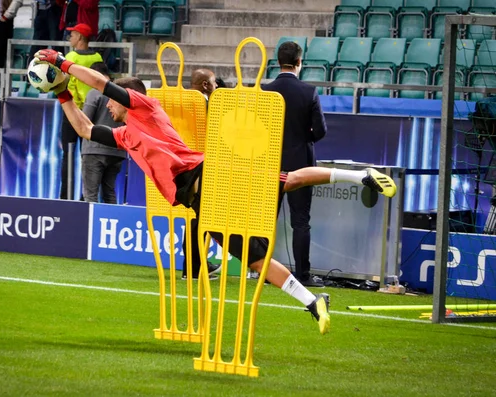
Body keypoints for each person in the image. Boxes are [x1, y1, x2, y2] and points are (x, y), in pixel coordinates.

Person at [35, 49, 398, 335]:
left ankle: (359, 176)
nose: (107, 107)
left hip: (210, 175)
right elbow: (84, 130)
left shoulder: (145, 107)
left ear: (126, 97)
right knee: (255, 258)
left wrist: (62, 62)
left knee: (286, 180)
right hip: (199, 201)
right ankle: (312, 301)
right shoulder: (124, 135)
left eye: (112, 102)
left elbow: (100, 83)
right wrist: (64, 93)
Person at [263, 41, 327, 288]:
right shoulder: (309, 91)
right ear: (299, 62)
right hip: (300, 166)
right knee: (300, 221)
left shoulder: (266, 91)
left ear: (278, 62)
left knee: (267, 220)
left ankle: (266, 271)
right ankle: (303, 274)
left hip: (270, 166)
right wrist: (303, 139)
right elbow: (320, 131)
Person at [181, 67, 220, 280]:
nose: (216, 87)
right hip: (202, 164)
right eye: (214, 83)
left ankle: (195, 264)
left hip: (184, 164)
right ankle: (194, 268)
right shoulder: (205, 104)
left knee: (197, 216)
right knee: (201, 216)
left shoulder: (181, 101)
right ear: (205, 84)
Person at [58, 23, 103, 200]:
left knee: (68, 155)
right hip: (92, 112)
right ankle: (87, 197)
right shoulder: (98, 57)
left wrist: (73, 107)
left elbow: (68, 84)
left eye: (73, 35)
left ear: (80, 38)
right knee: (89, 157)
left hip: (73, 112)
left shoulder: (70, 56)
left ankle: (65, 197)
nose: (70, 38)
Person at [81, 61, 125, 204]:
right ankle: (113, 223)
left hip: (94, 150)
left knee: (90, 195)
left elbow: (84, 121)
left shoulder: (94, 93)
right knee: (109, 193)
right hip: (117, 151)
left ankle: (88, 225)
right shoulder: (122, 93)